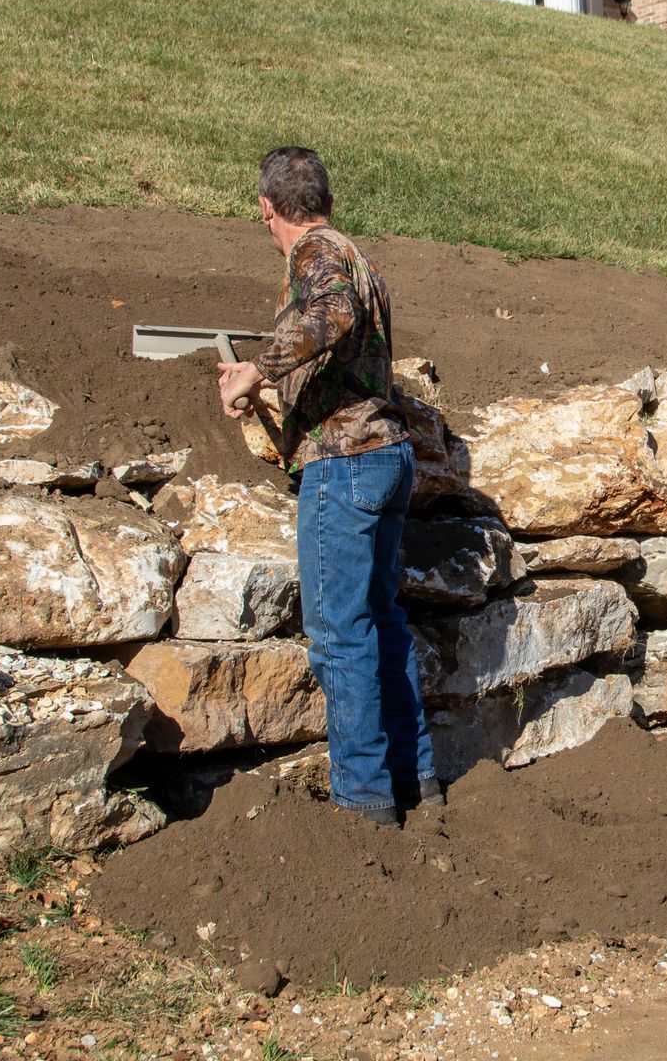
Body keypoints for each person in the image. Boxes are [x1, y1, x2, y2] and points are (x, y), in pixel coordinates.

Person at [217, 146, 439, 826]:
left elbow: (330, 313)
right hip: (388, 456)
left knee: (341, 635)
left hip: (344, 464)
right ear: (329, 200)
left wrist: (256, 371)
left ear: (264, 210)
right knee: (383, 623)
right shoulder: (355, 252)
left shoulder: (315, 254)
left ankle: (365, 803)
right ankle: (418, 780)